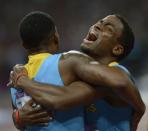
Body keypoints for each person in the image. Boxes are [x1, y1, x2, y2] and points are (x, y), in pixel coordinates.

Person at [8, 11, 145, 131]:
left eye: (108, 29)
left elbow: (59, 99)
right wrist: (18, 118)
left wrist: (23, 80)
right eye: (99, 22)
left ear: (117, 49)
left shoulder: (114, 74)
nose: (97, 25)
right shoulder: (84, 75)